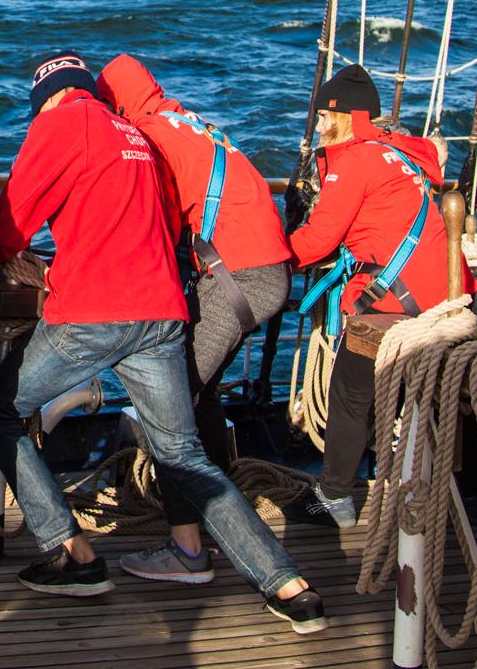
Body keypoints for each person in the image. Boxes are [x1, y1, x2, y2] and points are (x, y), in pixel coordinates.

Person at [0, 55, 326, 633]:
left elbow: (14, 221)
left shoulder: (58, 125)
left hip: (92, 313)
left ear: (46, 99)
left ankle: (71, 553)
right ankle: (289, 586)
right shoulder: (136, 134)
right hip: (161, 312)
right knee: (183, 454)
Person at [96, 53, 295, 586]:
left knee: (171, 404)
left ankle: (188, 552)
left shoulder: (150, 139)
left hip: (239, 278)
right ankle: (214, 499)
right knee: (199, 393)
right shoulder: (191, 123)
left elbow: (150, 222)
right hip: (259, 269)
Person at [283, 63, 463, 531]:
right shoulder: (400, 155)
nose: (319, 126)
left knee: (349, 394)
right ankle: (451, 487)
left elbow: (318, 242)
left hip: (388, 305)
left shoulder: (356, 161)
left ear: (345, 117)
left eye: (325, 116)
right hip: (438, 298)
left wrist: (269, 256)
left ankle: (335, 497)